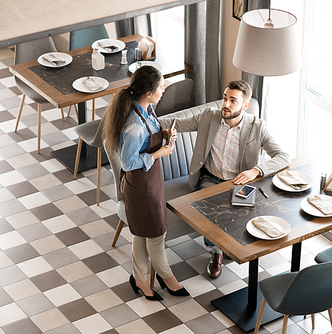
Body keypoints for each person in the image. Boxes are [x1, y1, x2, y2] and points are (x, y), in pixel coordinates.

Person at [158, 80, 290, 278]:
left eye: (233, 101)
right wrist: (143, 119)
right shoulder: (208, 116)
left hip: (240, 183)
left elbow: (283, 156)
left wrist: (256, 171)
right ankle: (217, 253)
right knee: (211, 215)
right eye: (225, 98)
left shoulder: (257, 127)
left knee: (247, 213)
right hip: (210, 179)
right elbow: (174, 124)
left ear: (245, 106)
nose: (226, 104)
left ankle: (238, 250)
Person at [102, 65, 189, 300]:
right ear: (148, 93)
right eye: (161, 87)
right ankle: (167, 277)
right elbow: (129, 163)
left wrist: (165, 137)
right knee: (156, 234)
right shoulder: (134, 126)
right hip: (141, 187)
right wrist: (161, 153)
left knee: (140, 233)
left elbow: (149, 140)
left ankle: (140, 279)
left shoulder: (147, 110)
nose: (164, 89)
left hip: (151, 182)